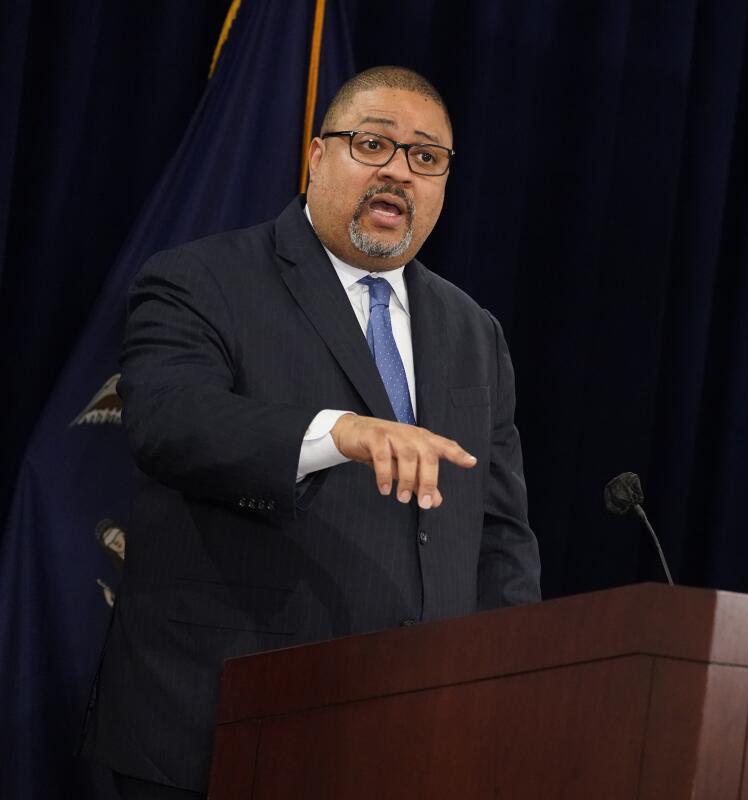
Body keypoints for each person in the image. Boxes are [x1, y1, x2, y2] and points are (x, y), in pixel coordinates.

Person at [81, 66, 541, 798]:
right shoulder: (202, 280)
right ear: (317, 156)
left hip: (413, 738)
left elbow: (499, 532)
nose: (398, 171)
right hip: (226, 728)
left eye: (426, 157)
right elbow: (168, 420)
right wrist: (338, 433)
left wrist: (506, 688)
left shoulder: (473, 331)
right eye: (373, 144)